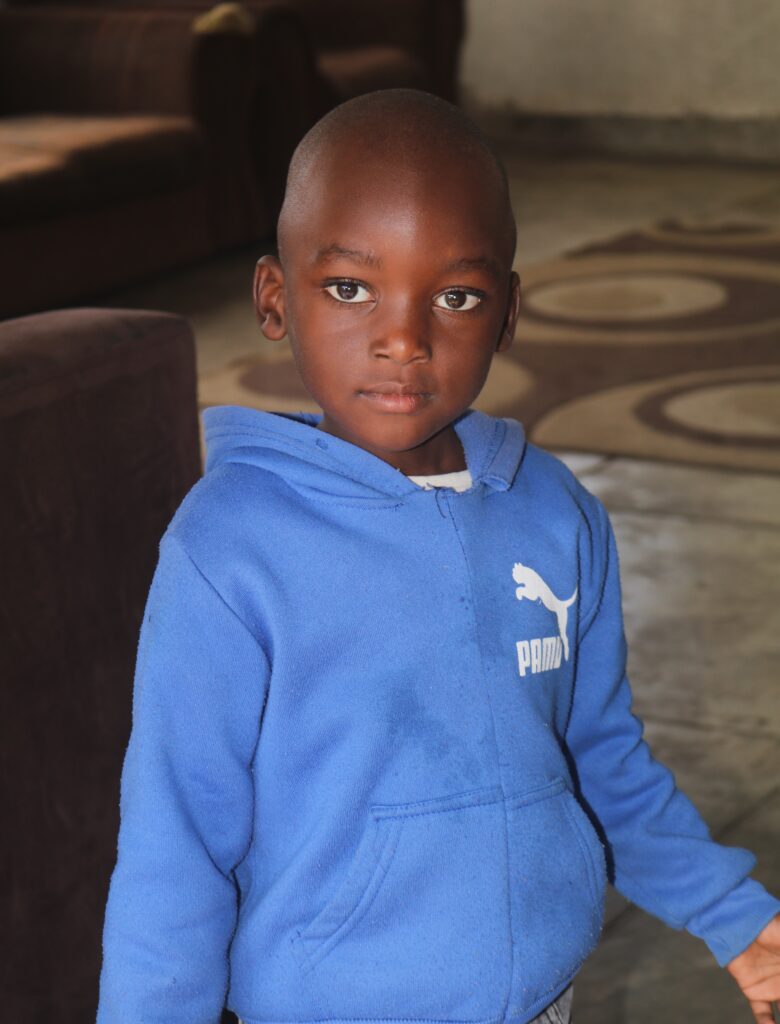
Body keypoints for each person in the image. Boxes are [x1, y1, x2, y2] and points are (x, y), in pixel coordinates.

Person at [96, 89, 780, 1024]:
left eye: (456, 297)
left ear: (507, 314)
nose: (403, 340)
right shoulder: (230, 549)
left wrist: (734, 916)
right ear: (274, 300)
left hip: (541, 1002)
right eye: (350, 288)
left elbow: (599, 757)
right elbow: (176, 842)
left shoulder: (558, 516)